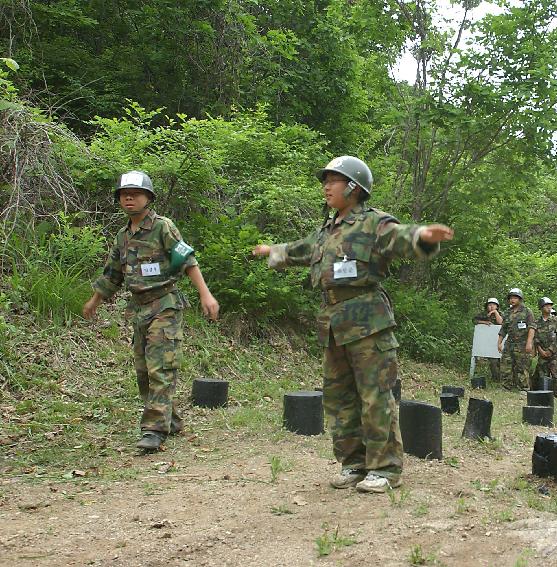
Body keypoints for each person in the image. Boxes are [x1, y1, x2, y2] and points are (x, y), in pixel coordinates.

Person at [252, 156, 453, 493]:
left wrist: (422, 236)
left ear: (354, 187)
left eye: (333, 180)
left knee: (375, 396)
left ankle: (385, 469)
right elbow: (302, 249)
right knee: (339, 398)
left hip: (368, 323)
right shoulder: (327, 229)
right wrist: (275, 250)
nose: (326, 186)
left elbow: (399, 237)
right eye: (325, 179)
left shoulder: (373, 223)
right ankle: (354, 464)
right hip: (332, 323)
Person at [83, 171, 220, 452]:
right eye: (124, 194)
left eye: (135, 193)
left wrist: (206, 294)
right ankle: (170, 420)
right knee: (144, 372)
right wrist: (94, 301)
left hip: (165, 306)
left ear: (149, 198)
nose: (129, 197)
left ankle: (154, 429)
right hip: (139, 310)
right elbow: (112, 274)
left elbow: (187, 260)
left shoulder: (163, 227)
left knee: (161, 368)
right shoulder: (122, 236)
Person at [498, 288, 536, 391]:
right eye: (511, 298)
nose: (512, 300)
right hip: (510, 343)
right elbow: (503, 329)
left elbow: (532, 328)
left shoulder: (527, 312)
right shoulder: (507, 312)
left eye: (515, 297)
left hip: (522, 344)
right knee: (506, 365)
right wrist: (499, 342)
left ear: (520, 299)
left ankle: (524, 389)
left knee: (522, 367)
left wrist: (529, 343)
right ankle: (505, 387)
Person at [533, 297, 557, 396]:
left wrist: (550, 350)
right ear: (541, 307)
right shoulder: (537, 322)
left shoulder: (556, 320)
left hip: (555, 354)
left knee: (556, 376)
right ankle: (544, 395)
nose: (549, 307)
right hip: (542, 354)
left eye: (550, 305)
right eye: (546, 305)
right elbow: (535, 338)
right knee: (543, 376)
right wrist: (540, 351)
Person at [472, 298, 503, 383]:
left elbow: (501, 322)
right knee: (493, 361)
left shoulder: (501, 314)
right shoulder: (483, 314)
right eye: (489, 305)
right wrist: (484, 322)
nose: (491, 306)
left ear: (497, 306)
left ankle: (503, 379)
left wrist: (495, 313)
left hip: (500, 342)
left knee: (501, 361)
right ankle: (495, 379)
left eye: (493, 305)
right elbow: (474, 320)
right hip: (488, 342)